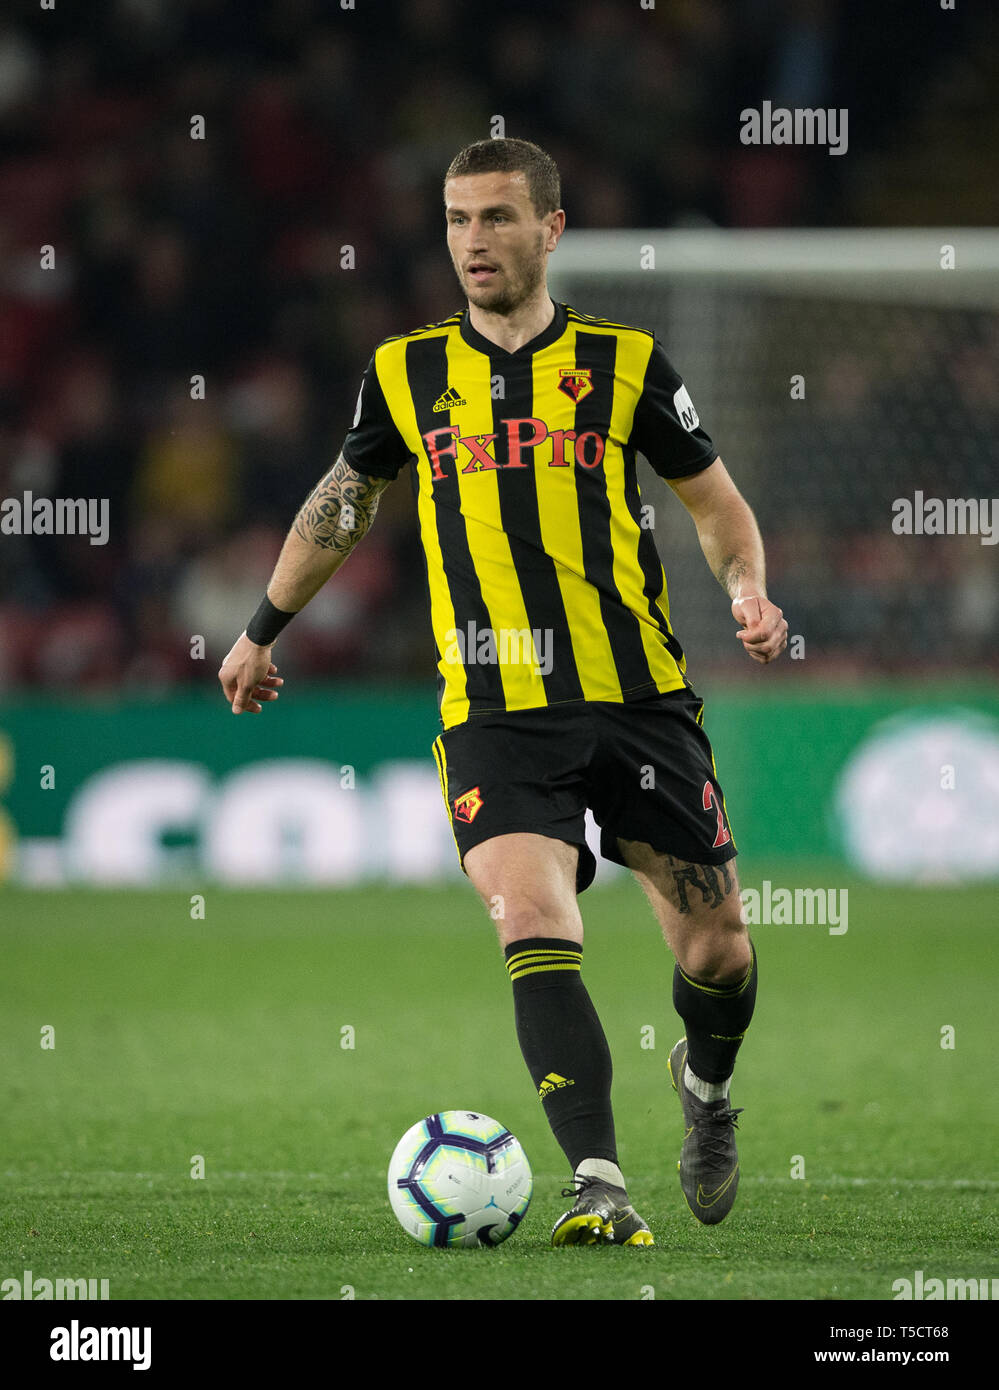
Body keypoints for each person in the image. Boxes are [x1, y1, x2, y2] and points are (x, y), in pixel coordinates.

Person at [219, 138, 787, 1247]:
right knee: (534, 916)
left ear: (552, 229)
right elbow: (342, 503)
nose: (472, 241)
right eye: (456, 220)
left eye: (495, 219)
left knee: (718, 953)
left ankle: (707, 1094)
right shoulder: (405, 371)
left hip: (637, 698)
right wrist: (260, 628)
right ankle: (599, 1180)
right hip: (493, 704)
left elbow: (716, 504)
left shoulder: (627, 364)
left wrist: (751, 589)